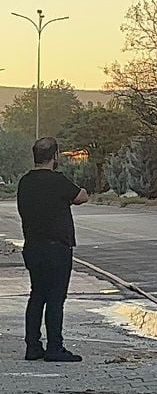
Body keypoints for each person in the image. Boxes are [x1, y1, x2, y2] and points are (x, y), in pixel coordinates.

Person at [17, 137, 88, 362]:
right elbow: (81, 197)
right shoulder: (58, 181)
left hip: (33, 247)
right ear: (55, 156)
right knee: (56, 298)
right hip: (57, 248)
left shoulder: (25, 182)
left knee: (37, 294)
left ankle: (33, 346)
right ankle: (55, 347)